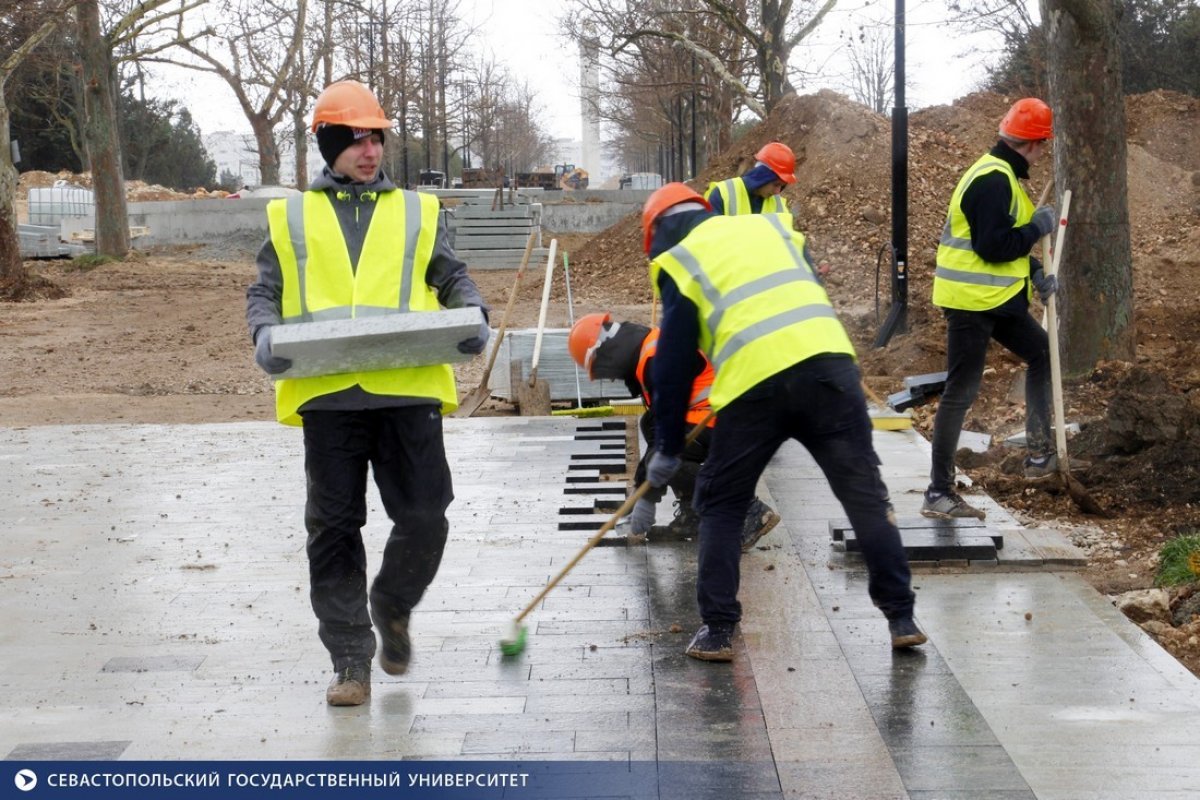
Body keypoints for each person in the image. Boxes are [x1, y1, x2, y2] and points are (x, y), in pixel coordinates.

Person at [245, 80, 490, 706]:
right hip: (329, 395)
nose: (369, 149)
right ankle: (351, 660)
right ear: (329, 144)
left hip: (406, 391)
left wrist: (471, 314)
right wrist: (264, 333)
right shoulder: (292, 214)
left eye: (375, 137)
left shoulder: (417, 210)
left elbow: (451, 276)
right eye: (355, 138)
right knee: (333, 528)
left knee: (425, 516)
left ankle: (391, 602)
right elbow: (264, 291)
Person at [640, 182, 925, 662]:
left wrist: (666, 445)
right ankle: (901, 617)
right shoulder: (775, 228)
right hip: (830, 372)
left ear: (660, 233)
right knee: (865, 497)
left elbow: (670, 362)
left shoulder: (680, 260)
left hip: (755, 389)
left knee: (723, 504)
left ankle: (717, 631)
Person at [922, 97, 1062, 521]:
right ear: (1033, 144)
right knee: (960, 392)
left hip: (997, 299)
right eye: (1043, 147)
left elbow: (1005, 244)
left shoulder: (1001, 175)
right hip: (971, 303)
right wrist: (1037, 227)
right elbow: (992, 246)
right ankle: (938, 492)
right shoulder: (992, 180)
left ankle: (1039, 453)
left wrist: (1034, 271)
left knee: (1041, 353)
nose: (1042, 156)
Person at [567, 312, 781, 551]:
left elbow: (665, 441)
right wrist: (640, 492)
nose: (612, 378)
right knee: (650, 426)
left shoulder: (657, 361)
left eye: (603, 371)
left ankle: (750, 510)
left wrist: (646, 498)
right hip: (728, 415)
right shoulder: (648, 350)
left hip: (739, 420)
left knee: (668, 459)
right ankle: (694, 514)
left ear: (607, 354)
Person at [705, 141, 795, 216]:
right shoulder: (723, 194)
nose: (777, 192)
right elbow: (708, 234)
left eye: (782, 186)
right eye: (776, 184)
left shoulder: (779, 205)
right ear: (762, 175)